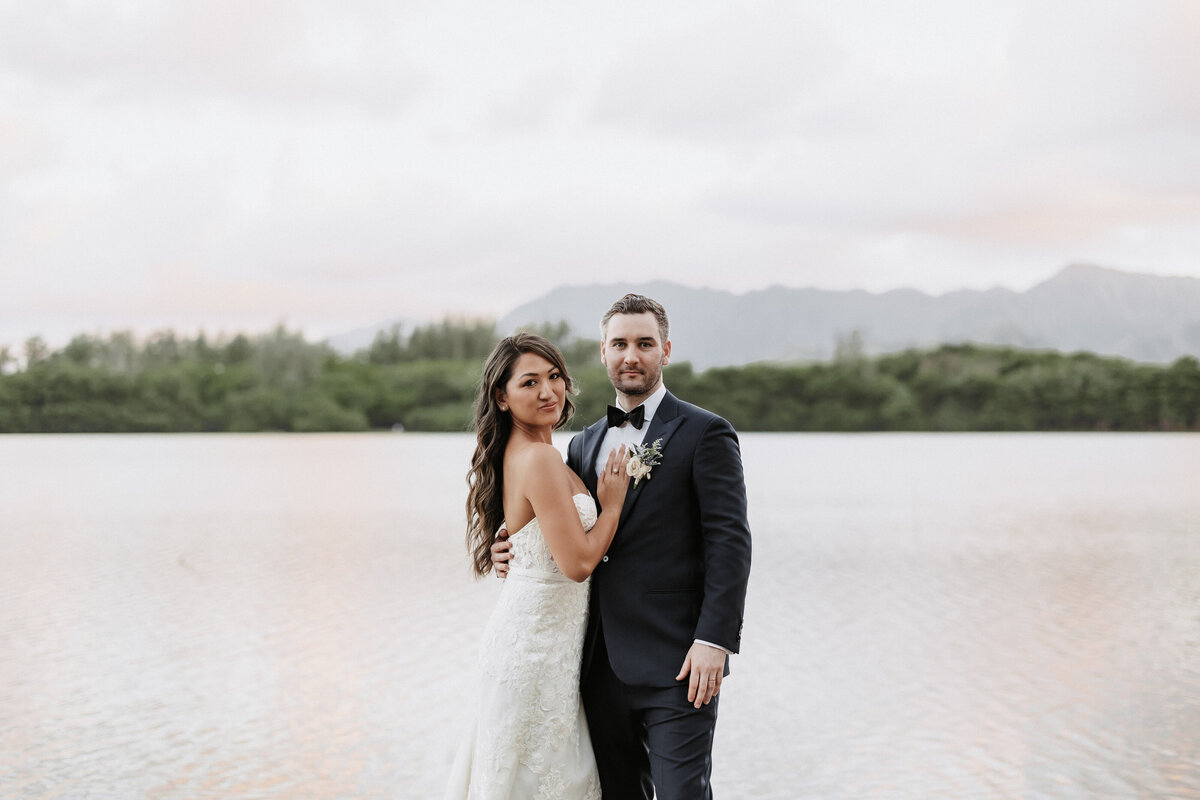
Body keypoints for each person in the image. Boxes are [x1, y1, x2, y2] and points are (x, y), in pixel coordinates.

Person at [493, 294, 752, 799]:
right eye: (619, 344)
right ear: (604, 352)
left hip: (679, 664)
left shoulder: (706, 433)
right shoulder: (582, 444)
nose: (630, 355)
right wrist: (510, 547)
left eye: (644, 343)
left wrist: (714, 642)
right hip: (593, 666)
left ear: (666, 350)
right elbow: (565, 531)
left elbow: (730, 543)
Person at [445, 333, 631, 800]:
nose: (548, 391)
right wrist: (610, 506)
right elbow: (577, 563)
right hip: (535, 652)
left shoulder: (530, 454)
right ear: (501, 398)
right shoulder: (542, 458)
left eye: (554, 377)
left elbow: (530, 538)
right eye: (529, 382)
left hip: (542, 647)